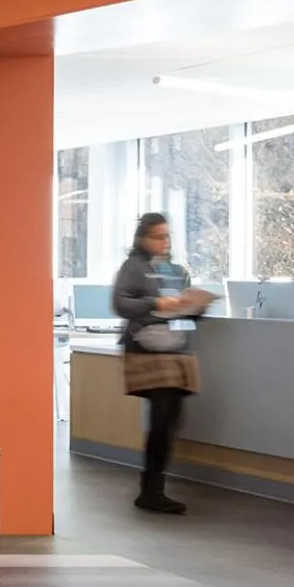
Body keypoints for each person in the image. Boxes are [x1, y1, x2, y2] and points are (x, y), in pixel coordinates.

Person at [114, 212, 216, 514]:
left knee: (172, 418)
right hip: (148, 351)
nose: (164, 241)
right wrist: (155, 303)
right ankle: (151, 489)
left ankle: (154, 486)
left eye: (167, 235)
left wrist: (195, 306)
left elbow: (184, 309)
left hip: (175, 350)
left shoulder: (177, 270)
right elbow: (120, 303)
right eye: (158, 236)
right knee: (161, 418)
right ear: (142, 238)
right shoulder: (133, 267)